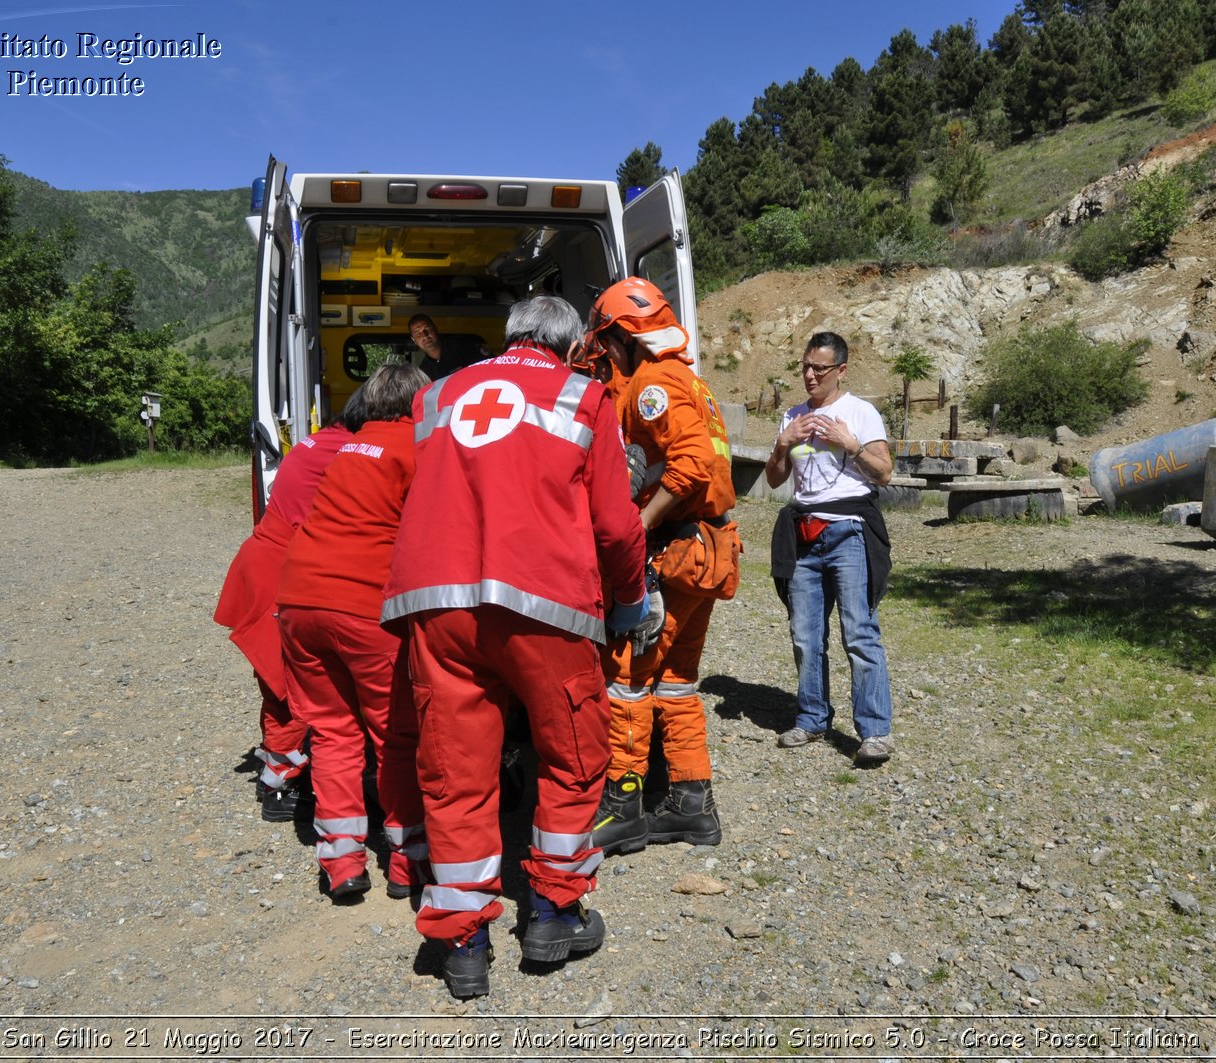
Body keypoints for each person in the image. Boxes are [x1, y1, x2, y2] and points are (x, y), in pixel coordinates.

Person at [381, 296, 648, 999]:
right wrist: (629, 601)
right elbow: (618, 528)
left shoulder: (435, 396)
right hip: (543, 604)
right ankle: (554, 913)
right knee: (572, 752)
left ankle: (463, 941)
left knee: (455, 769)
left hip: (439, 606)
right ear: (565, 347)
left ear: (508, 338)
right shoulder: (584, 396)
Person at [584, 277, 738, 856]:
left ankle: (623, 803)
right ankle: (692, 803)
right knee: (676, 681)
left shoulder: (653, 384)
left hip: (676, 552)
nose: (605, 356)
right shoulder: (688, 380)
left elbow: (692, 464)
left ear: (624, 337)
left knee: (627, 675)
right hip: (708, 550)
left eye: (607, 343)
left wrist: (637, 527)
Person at [277, 364, 432, 901]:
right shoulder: (418, 449)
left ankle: (342, 862)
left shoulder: (348, 446)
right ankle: (408, 860)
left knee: (333, 732)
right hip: (365, 606)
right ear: (420, 403)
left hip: (299, 600)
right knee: (395, 734)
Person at [213, 387, 368, 822]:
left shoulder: (316, 442)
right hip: (281, 575)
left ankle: (283, 771)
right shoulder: (351, 451)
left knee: (283, 682)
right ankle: (280, 782)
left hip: (266, 565)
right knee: (291, 687)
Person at [763, 331, 896, 768]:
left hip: (849, 534)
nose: (809, 376)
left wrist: (850, 444)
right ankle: (812, 717)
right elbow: (775, 480)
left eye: (819, 368)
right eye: (804, 366)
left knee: (859, 633)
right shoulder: (792, 416)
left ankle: (875, 732)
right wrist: (784, 442)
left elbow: (884, 473)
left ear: (841, 370)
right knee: (804, 635)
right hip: (803, 534)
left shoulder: (860, 413)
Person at [408, 314, 485, 381]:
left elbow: (489, 367)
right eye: (418, 333)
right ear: (414, 340)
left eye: (427, 329)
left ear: (435, 328)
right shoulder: (424, 371)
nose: (425, 335)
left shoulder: (461, 346)